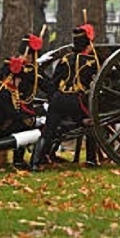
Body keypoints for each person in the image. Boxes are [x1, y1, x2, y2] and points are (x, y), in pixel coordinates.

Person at [34, 23, 100, 166]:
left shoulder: (65, 59)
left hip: (58, 99)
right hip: (76, 101)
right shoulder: (92, 61)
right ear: (88, 45)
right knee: (90, 122)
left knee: (49, 130)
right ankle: (91, 160)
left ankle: (37, 161)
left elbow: (53, 84)